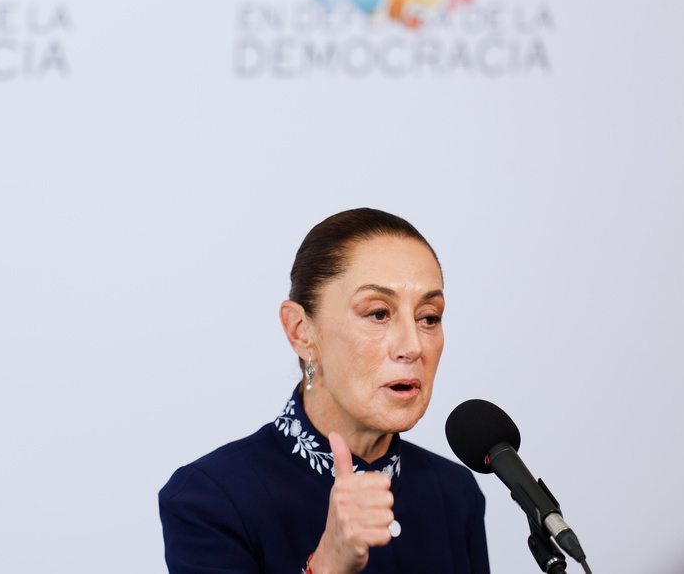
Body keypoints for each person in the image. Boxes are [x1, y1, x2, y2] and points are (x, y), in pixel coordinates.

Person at [159, 208, 490, 574]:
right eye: (379, 313)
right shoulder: (209, 499)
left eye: (429, 317)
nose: (412, 346)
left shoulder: (456, 494)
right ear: (301, 331)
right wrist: (327, 566)